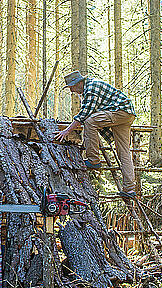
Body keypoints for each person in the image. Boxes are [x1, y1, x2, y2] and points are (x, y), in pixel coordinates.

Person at [54, 70, 137, 198]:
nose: (72, 91)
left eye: (72, 87)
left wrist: (66, 131)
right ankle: (129, 189)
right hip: (126, 113)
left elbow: (84, 115)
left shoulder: (91, 88)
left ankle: (93, 160)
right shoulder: (88, 89)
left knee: (90, 121)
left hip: (120, 111)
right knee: (124, 151)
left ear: (78, 83)